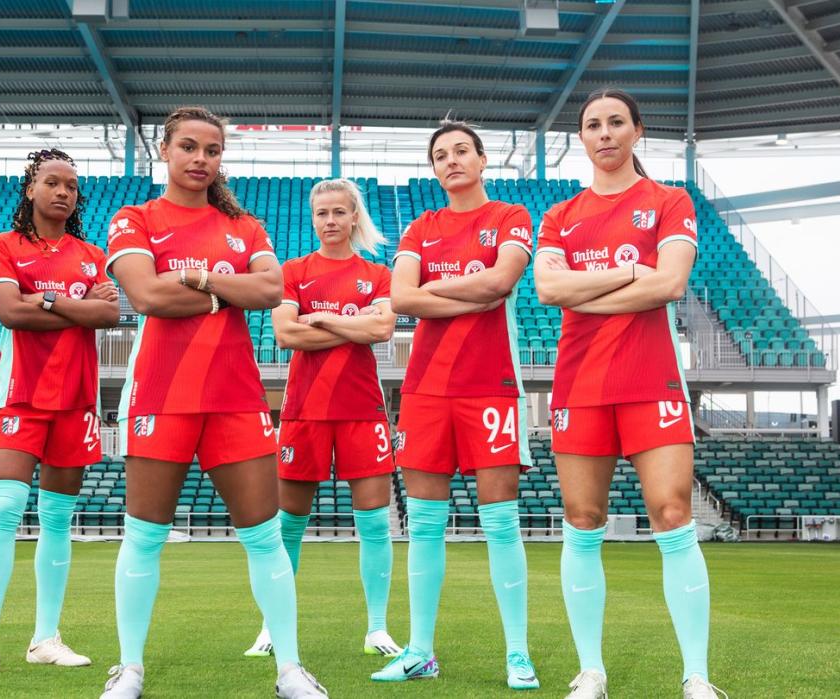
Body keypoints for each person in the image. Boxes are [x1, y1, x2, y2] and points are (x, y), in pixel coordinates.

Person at [101, 106, 327, 699]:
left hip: (234, 396)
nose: (202, 159)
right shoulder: (135, 218)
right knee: (144, 536)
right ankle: (129, 668)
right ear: (165, 151)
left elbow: (272, 289)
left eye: (213, 150)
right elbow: (147, 295)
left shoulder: (246, 227)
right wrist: (227, 292)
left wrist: (198, 281)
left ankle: (290, 670)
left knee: (264, 535)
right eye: (190, 147)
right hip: (161, 393)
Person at [533, 88, 722, 699]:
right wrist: (626, 274)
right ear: (582, 138)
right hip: (579, 385)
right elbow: (547, 291)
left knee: (672, 516)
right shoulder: (561, 215)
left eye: (617, 122)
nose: (605, 133)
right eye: (593, 124)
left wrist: (586, 290)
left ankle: (696, 675)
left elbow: (669, 284)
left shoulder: (669, 201)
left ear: (638, 130)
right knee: (583, 521)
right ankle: (591, 671)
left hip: (651, 381)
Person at [0, 149, 121, 679]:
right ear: (30, 189)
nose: (63, 192)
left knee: (58, 520)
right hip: (20, 397)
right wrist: (71, 306)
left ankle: (46, 638)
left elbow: (109, 313)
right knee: (4, 510)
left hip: (78, 400)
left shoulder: (92, 254)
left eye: (71, 186)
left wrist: (41, 299)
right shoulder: (2, 245)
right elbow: (9, 311)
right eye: (52, 183)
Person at [372, 121, 539, 691]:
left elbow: (502, 282)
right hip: (425, 391)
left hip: (490, 385)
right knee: (423, 526)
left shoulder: (511, 218)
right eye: (440, 155)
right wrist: (472, 287)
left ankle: (517, 652)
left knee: (500, 523)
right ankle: (420, 650)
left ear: (483, 158)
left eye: (461, 151)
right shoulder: (422, 225)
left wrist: (434, 293)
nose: (451, 162)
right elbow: (399, 298)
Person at [242, 177, 402, 659]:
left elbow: (384, 328)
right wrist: (353, 327)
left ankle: (377, 628)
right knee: (288, 524)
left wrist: (324, 319)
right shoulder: (294, 271)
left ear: (354, 216)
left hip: (362, 411)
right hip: (304, 412)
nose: (329, 221)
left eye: (338, 212)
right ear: (313, 219)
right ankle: (273, 628)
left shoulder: (377, 274)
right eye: (321, 214)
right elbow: (287, 335)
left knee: (374, 523)